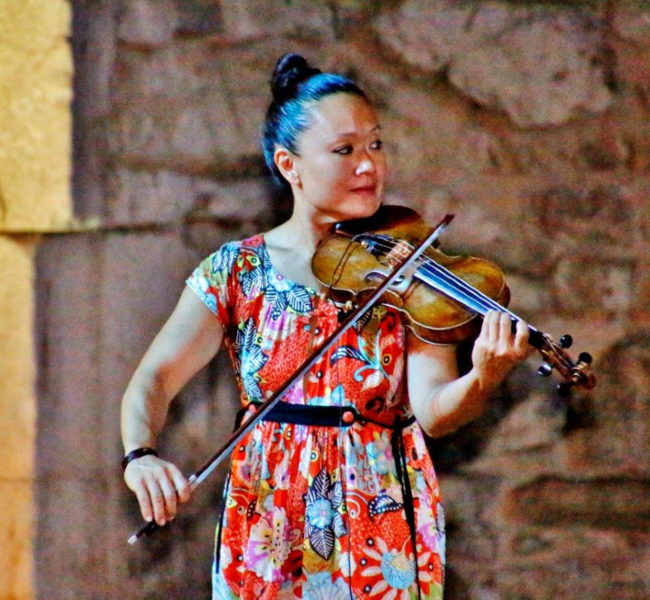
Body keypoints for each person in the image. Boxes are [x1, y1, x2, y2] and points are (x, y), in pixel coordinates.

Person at [120, 53, 531, 599]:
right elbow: (154, 379)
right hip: (270, 514)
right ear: (289, 164)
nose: (370, 166)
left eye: (376, 144)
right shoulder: (236, 270)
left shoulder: (408, 272)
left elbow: (434, 412)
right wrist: (140, 456)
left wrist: (483, 377)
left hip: (380, 510)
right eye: (344, 151)